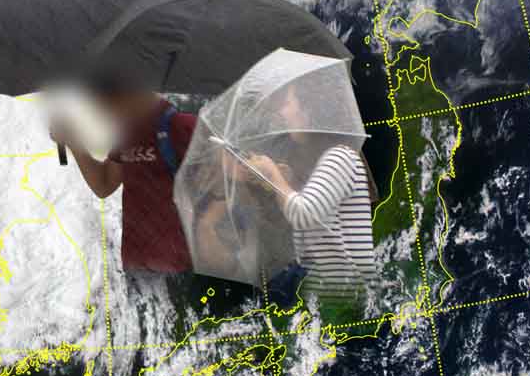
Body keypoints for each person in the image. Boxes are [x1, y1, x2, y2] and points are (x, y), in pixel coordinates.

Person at [227, 86, 377, 308]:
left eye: (288, 104)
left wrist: (274, 175)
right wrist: (284, 180)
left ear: (310, 113)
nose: (283, 114)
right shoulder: (306, 147)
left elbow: (304, 214)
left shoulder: (340, 154)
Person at [50, 89, 197, 274]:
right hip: (138, 266)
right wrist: (73, 142)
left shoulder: (184, 127)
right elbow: (104, 184)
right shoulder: (129, 136)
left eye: (106, 109)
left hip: (180, 268)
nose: (105, 118)